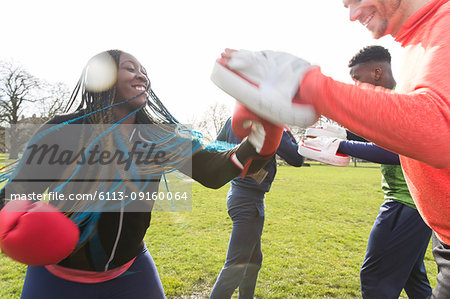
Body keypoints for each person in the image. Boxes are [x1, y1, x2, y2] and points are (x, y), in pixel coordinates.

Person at [0, 50, 282, 299]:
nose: (141, 75)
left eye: (144, 71)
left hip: (130, 274)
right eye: (130, 68)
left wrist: (264, 136)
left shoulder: (159, 137)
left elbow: (216, 171)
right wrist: (17, 218)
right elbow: (19, 188)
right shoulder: (64, 130)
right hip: (57, 277)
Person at [215, 1, 449, 297]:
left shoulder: (444, 22)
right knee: (410, 280)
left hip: (414, 214)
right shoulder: (418, 43)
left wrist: (312, 88)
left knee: (376, 280)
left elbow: (436, 130)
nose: (352, 15)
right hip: (440, 234)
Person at [303, 45, 432, 298]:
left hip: (405, 204)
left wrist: (339, 145)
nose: (355, 86)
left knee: (375, 279)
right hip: (417, 207)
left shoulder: (403, 100)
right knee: (413, 279)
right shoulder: (392, 101)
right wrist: (341, 130)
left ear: (376, 72)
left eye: (357, 79)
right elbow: (376, 135)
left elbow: (398, 152)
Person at [210, 119, 303, 299]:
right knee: (235, 267)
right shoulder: (269, 121)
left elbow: (216, 147)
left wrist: (241, 164)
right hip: (248, 200)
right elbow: (296, 158)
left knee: (253, 260)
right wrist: (285, 129)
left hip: (237, 194)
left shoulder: (234, 117)